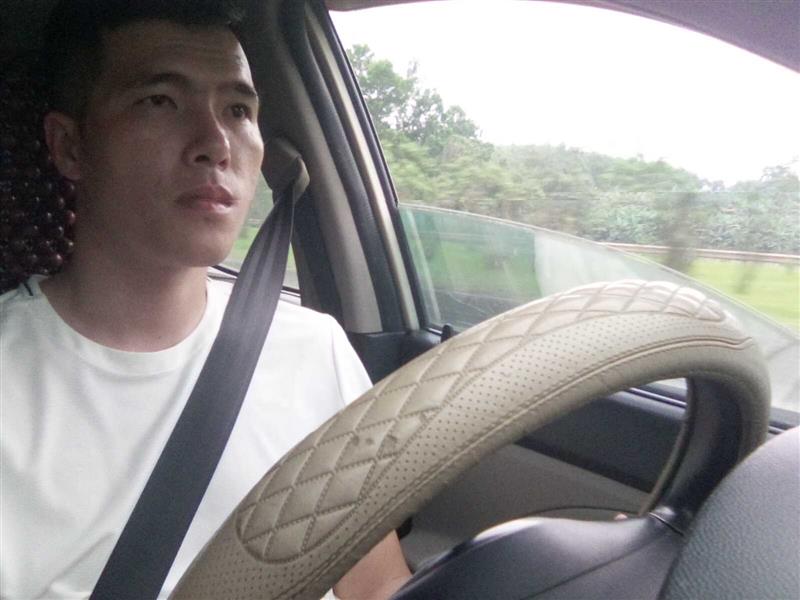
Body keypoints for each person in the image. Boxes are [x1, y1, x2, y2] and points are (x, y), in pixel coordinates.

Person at [0, 1, 411, 598]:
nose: (216, 143)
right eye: (159, 101)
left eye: (238, 110)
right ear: (69, 146)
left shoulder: (314, 350)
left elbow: (378, 587)